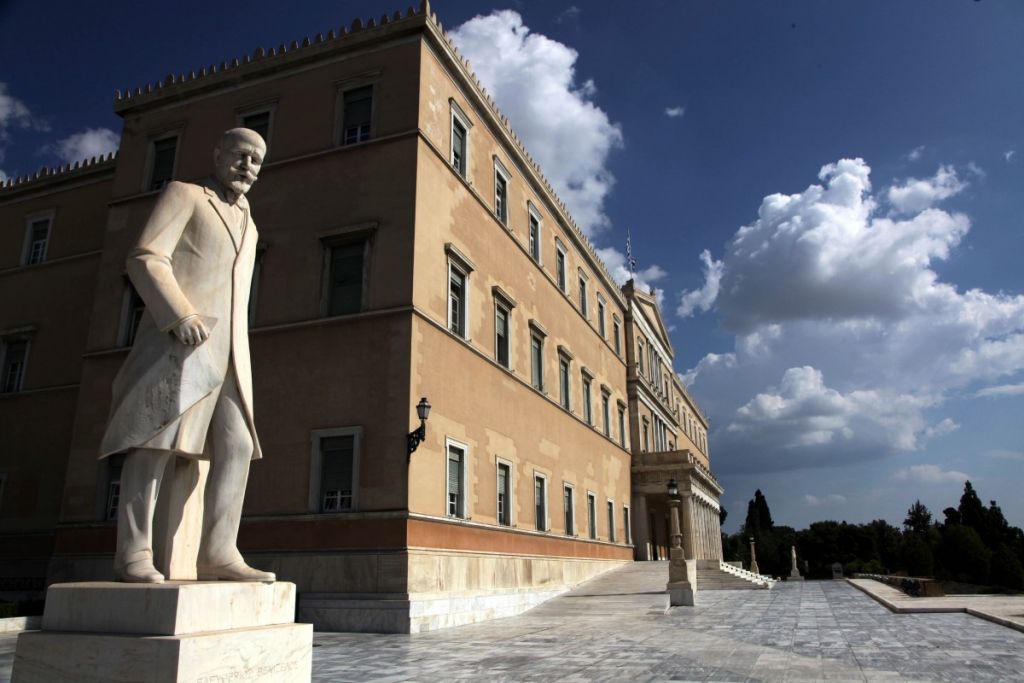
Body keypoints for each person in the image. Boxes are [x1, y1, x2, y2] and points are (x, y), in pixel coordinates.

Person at [99, 128, 273, 583]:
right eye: (240, 154)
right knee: (154, 443)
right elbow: (145, 257)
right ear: (217, 153)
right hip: (183, 341)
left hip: (232, 351)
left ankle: (219, 552)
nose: (247, 166)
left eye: (256, 160)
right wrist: (179, 314)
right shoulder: (185, 194)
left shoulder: (251, 223)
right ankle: (134, 554)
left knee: (236, 446)